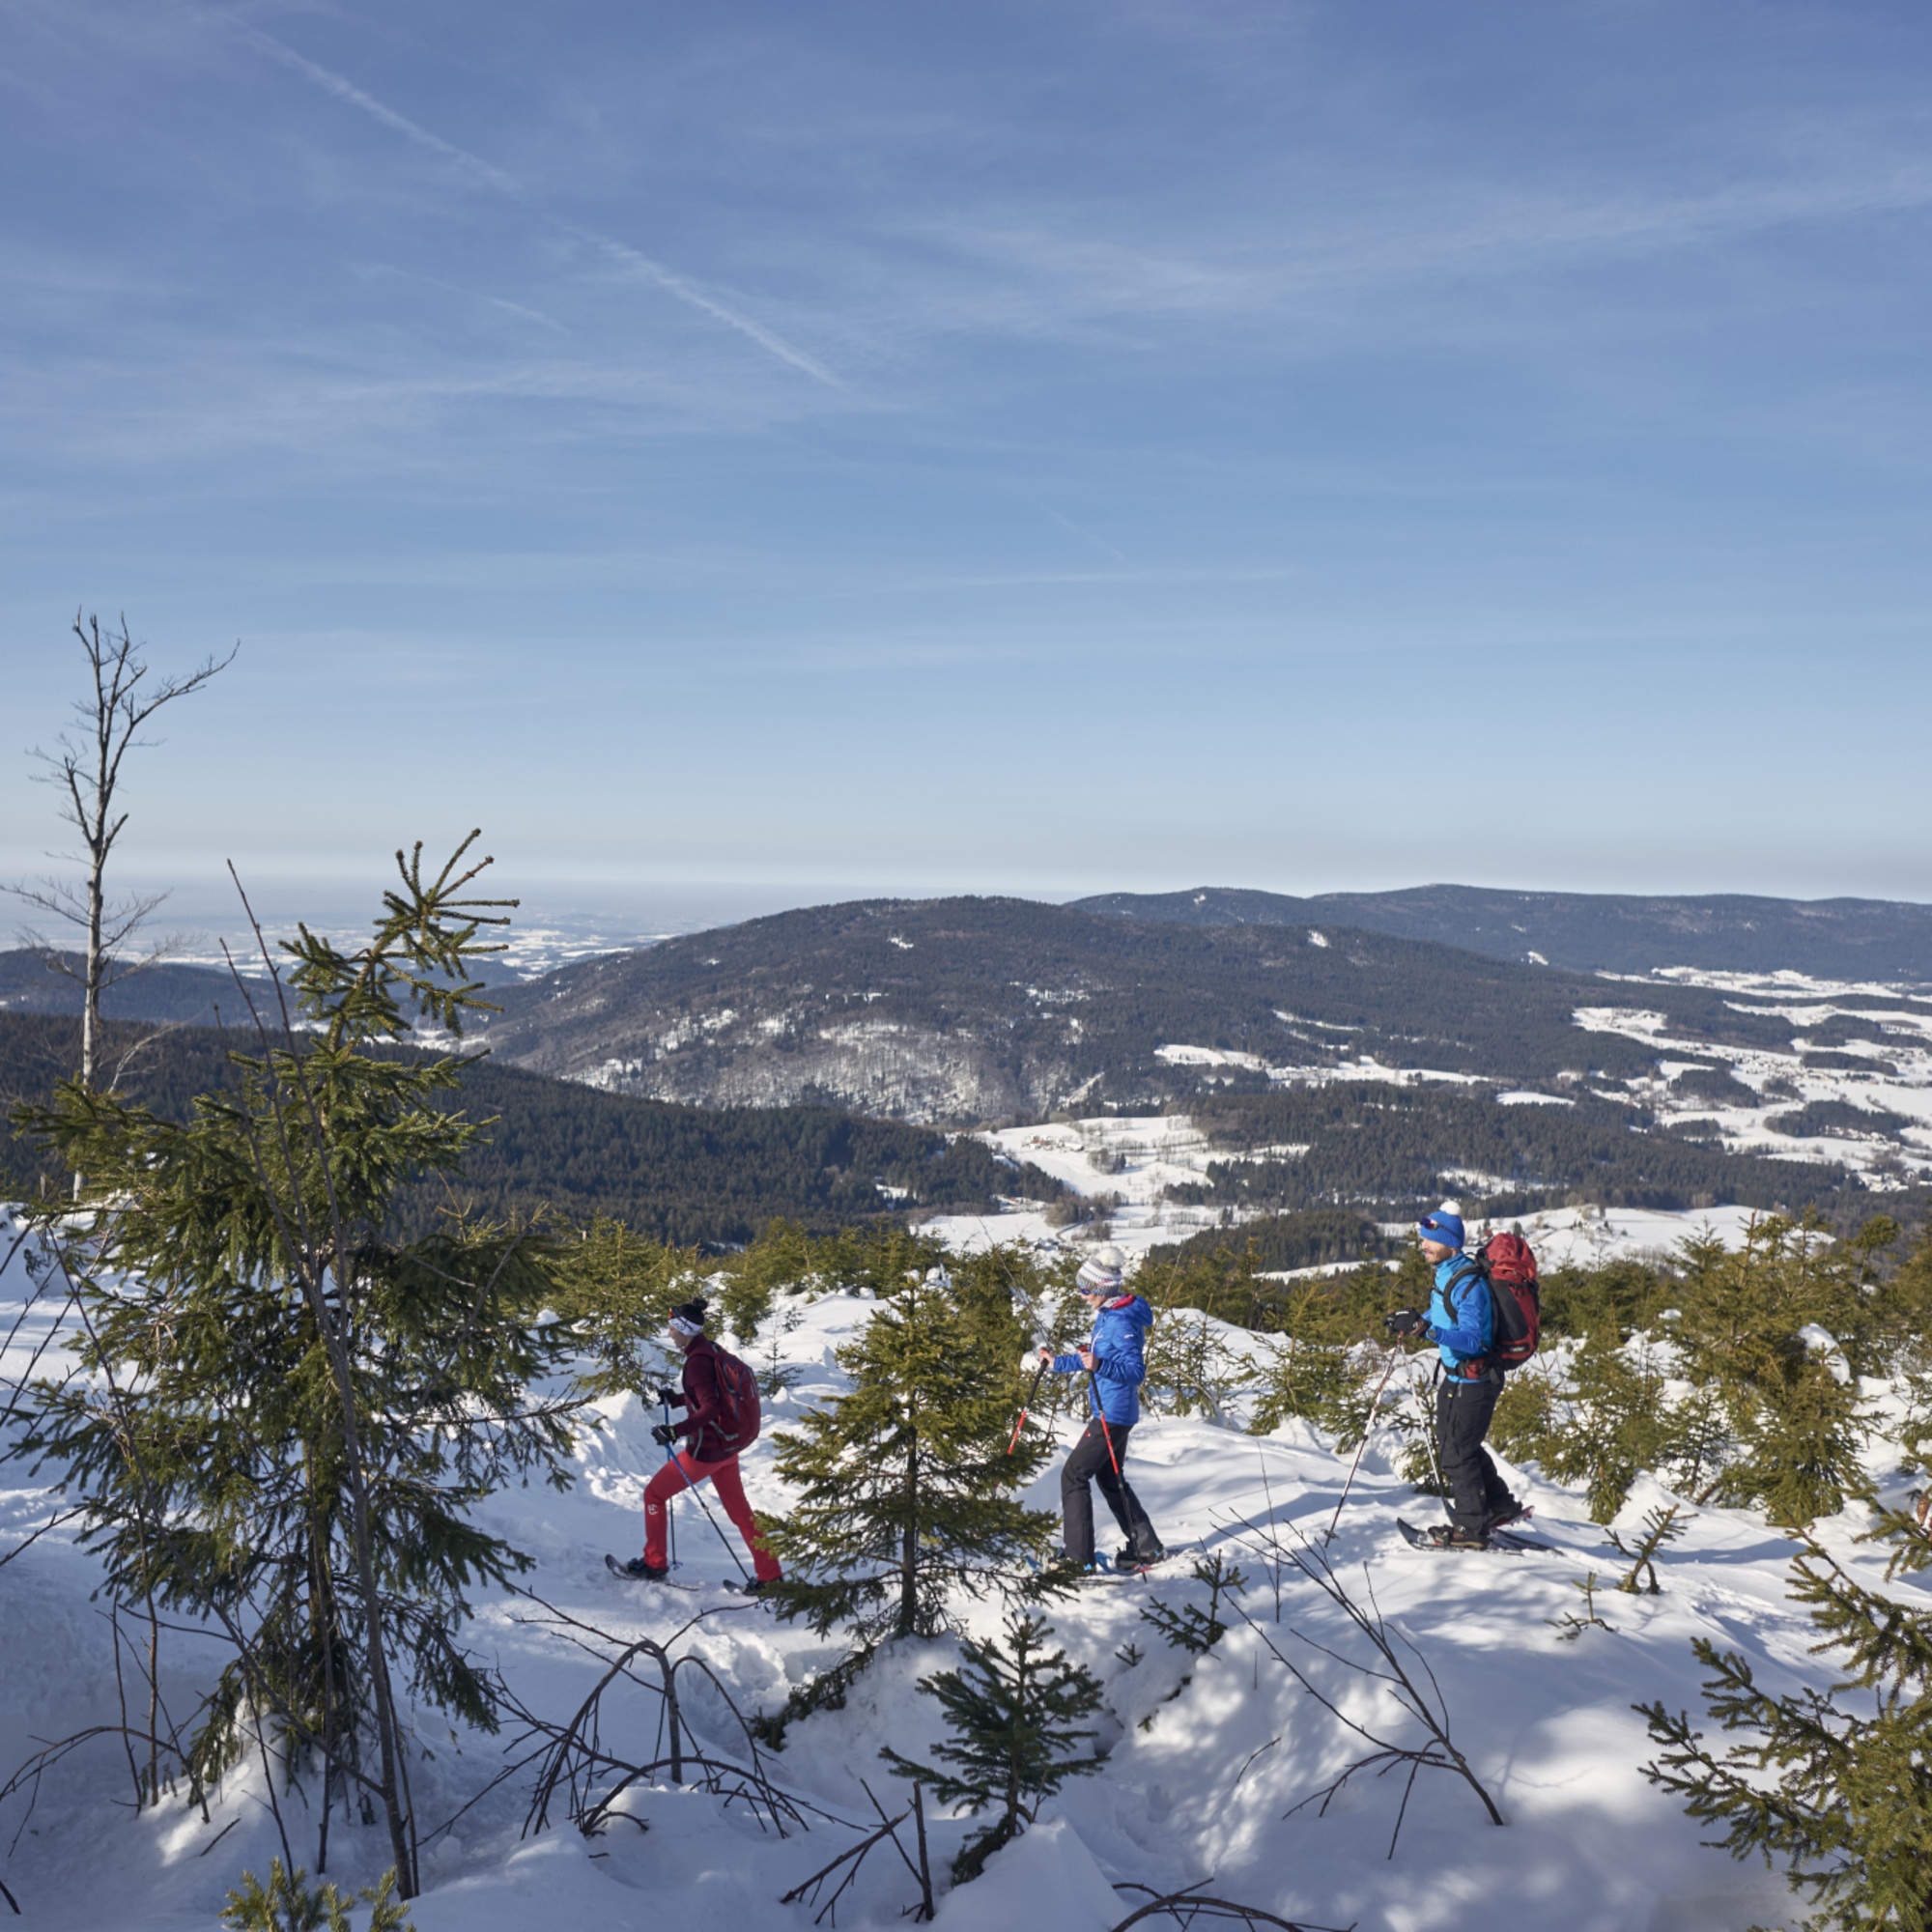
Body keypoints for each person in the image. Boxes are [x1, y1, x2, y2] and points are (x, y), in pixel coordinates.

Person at [616, 1296, 782, 1592]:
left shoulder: (696, 1363)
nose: (669, 1333)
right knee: (741, 1514)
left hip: (707, 1452)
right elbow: (713, 1393)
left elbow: (710, 1408)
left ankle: (654, 1563)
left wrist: (675, 1431)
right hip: (728, 1449)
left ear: (684, 1330)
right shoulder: (709, 1349)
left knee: (653, 1495)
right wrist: (677, 1399)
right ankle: (771, 1576)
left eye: (672, 1327)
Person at [1385, 1208, 1523, 1549]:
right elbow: (1444, 1312)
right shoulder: (1447, 1274)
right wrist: (1413, 1320)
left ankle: (1470, 1528)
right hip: (1457, 1378)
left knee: (1457, 1454)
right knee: (1456, 1446)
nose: (1424, 1245)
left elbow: (1472, 1340)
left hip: (1477, 1381)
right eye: (1423, 1239)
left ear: (1451, 1243)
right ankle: (1499, 1505)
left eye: (1431, 1240)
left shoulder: (1467, 1283)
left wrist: (1426, 1330)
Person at [1035, 1247, 1164, 1575]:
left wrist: (1101, 1364)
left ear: (1102, 1289)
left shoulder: (1121, 1322)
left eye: (1085, 1290)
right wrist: (1056, 1363)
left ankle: (1078, 1559)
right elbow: (1091, 1358)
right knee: (1109, 1477)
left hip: (1113, 1413)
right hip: (1114, 1411)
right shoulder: (1110, 1313)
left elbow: (1135, 1372)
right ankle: (1146, 1547)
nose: (1082, 1296)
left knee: (1073, 1475)